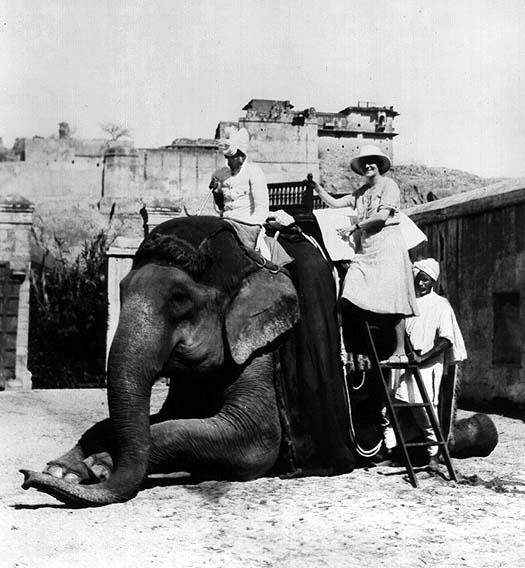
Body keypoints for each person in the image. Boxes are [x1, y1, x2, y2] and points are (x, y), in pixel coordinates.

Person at [312, 145, 418, 363]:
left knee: (393, 297)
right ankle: (364, 340)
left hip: (387, 243)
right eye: (364, 163)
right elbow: (335, 203)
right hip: (367, 248)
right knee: (350, 290)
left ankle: (399, 352)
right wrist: (317, 187)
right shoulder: (360, 193)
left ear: (379, 165)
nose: (368, 165)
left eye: (372, 161)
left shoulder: (389, 185)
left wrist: (355, 226)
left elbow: (381, 216)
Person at [385, 258, 467, 470]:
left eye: (426, 280)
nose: (421, 284)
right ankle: (395, 451)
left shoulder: (440, 305)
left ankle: (433, 455)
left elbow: (446, 340)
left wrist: (424, 358)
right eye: (418, 279)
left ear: (433, 282)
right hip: (404, 362)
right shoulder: (405, 303)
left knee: (424, 411)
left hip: (427, 365)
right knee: (392, 409)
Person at [210, 127, 269, 226]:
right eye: (227, 158)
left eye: (232, 158)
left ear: (242, 157)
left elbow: (261, 207)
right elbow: (221, 207)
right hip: (226, 223)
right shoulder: (220, 174)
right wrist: (217, 192)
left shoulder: (254, 172)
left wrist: (253, 226)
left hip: (247, 224)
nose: (228, 162)